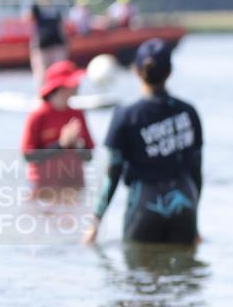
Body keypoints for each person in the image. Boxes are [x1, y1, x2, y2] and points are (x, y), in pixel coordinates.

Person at [83, 38, 203, 245]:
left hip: (145, 203)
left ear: (136, 71)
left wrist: (96, 222)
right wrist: (194, 218)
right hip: (184, 201)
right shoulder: (188, 112)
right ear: (170, 71)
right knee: (185, 275)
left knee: (138, 273)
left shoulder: (126, 116)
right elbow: (196, 170)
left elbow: (113, 173)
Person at [20, 61, 95, 196]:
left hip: (74, 187)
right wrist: (61, 145)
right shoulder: (38, 116)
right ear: (61, 86)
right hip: (44, 189)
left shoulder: (77, 115)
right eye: (74, 81)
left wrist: (78, 145)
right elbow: (29, 156)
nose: (78, 84)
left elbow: (89, 156)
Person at [29, 0, 68, 89]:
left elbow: (61, 28)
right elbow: (28, 19)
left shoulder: (56, 9)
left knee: (59, 70)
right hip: (42, 44)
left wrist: (65, 44)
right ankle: (42, 94)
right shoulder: (36, 8)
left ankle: (60, 93)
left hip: (56, 43)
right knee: (41, 71)